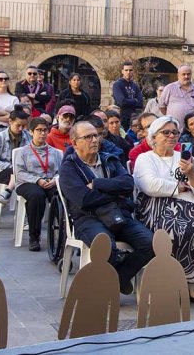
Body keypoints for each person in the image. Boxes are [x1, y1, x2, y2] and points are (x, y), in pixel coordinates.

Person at [133, 116, 194, 302]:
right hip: (157, 209)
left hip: (190, 208)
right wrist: (181, 187)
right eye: (166, 132)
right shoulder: (145, 158)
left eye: (175, 132)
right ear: (153, 137)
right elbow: (150, 185)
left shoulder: (185, 157)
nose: (171, 136)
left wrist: (191, 174)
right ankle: (183, 280)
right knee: (181, 229)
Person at [59, 121, 155, 295]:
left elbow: (128, 184)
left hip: (118, 214)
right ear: (75, 143)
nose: (94, 140)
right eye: (88, 137)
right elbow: (84, 199)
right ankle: (112, 284)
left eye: (96, 135)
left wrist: (97, 184)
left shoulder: (109, 159)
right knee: (105, 247)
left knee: (150, 243)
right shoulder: (69, 168)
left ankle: (119, 277)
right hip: (88, 218)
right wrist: (115, 194)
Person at [13, 118, 64, 251]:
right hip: (28, 182)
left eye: (45, 130)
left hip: (50, 181)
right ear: (31, 132)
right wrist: (37, 180)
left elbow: (62, 171)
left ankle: (64, 231)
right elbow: (19, 173)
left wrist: (55, 180)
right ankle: (34, 236)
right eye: (39, 130)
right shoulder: (22, 152)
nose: (42, 133)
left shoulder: (55, 152)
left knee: (59, 194)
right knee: (36, 195)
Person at [0, 107, 31, 204]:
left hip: (23, 171)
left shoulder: (28, 136)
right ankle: (9, 192)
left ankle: (8, 191)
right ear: (10, 121)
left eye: (23, 126)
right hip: (1, 171)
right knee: (19, 172)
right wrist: (12, 167)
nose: (21, 129)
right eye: (18, 125)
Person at [157, 65, 194, 131]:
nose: (186, 76)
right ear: (178, 75)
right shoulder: (169, 88)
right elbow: (162, 106)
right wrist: (172, 115)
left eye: (188, 74)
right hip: (174, 129)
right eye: (183, 74)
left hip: (191, 130)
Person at [112, 62, 144, 130]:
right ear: (122, 71)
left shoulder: (135, 85)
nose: (128, 72)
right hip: (122, 119)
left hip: (134, 119)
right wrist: (134, 100)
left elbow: (140, 103)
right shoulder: (117, 84)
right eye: (126, 70)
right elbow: (121, 102)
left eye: (130, 70)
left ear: (133, 72)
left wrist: (128, 101)